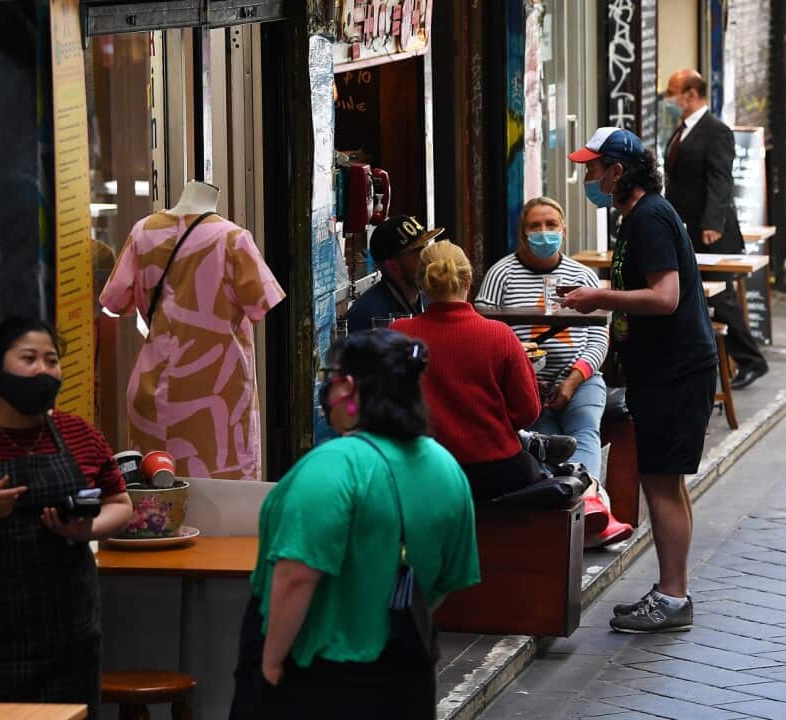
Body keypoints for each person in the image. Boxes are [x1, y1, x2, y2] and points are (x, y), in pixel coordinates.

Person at [229, 329, 479, 719]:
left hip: (316, 678)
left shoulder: (332, 466)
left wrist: (270, 661)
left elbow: (296, 575)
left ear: (347, 387)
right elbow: (442, 582)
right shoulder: (446, 468)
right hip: (407, 673)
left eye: (330, 376)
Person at [564, 127, 717, 633]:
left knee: (660, 484)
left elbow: (666, 296)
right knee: (666, 482)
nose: (589, 177)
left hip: (674, 371)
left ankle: (673, 597)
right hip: (666, 368)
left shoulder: (649, 216)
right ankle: (674, 591)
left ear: (618, 170)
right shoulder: (639, 217)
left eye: (594, 168)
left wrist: (600, 299)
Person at [0, 317, 134, 715]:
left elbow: (121, 504)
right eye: (29, 358)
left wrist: (86, 527)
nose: (43, 370)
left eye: (51, 360)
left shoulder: (79, 433)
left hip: (70, 635)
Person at [476, 197, 633, 547]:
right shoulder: (500, 275)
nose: (544, 232)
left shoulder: (582, 276)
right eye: (535, 226)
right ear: (522, 233)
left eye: (551, 225)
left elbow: (597, 337)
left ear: (563, 229)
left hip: (581, 378)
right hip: (524, 383)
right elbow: (485, 332)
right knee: (545, 442)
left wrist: (574, 379)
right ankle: (589, 514)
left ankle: (586, 504)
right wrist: (524, 378)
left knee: (585, 430)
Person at [392, 241, 574, 503]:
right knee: (547, 472)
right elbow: (527, 411)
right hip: (495, 471)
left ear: (422, 283)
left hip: (421, 472)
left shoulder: (398, 334)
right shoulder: (499, 335)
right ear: (468, 281)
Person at [662, 69, 768, 390]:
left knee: (721, 299)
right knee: (697, 297)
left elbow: (721, 180)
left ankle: (751, 360)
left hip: (712, 232)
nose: (669, 100)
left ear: (691, 94)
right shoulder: (682, 130)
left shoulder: (716, 131)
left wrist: (712, 223)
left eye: (673, 92)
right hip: (685, 228)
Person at [344, 214, 444, 334]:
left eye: (426, 248)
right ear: (393, 267)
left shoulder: (430, 300)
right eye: (419, 253)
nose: (428, 259)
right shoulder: (365, 316)